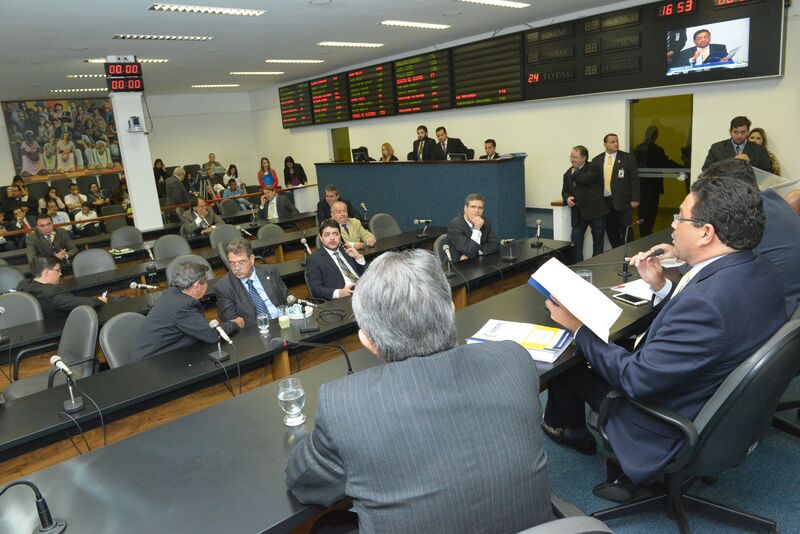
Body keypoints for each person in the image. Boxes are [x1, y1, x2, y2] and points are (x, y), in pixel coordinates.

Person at [542, 176, 786, 500]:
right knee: (607, 347)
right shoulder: (760, 269)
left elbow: (635, 379)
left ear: (706, 233)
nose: (672, 224)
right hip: (718, 402)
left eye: (680, 217)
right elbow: (702, 329)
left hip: (667, 418)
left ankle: (572, 433)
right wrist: (661, 287)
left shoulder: (707, 305)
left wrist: (578, 327)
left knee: (571, 363)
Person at [286, 249, 553, 533]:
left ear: (367, 341)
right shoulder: (514, 358)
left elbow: (303, 481)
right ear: (452, 310)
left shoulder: (345, 405)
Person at [650, 160, 800, 317]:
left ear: (731, 193)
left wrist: (684, 253)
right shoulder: (772, 200)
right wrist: (678, 251)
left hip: (770, 309)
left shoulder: (746, 221)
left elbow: (713, 266)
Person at [132, 262, 243, 358]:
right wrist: (235, 324)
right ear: (197, 285)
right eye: (206, 282)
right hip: (152, 362)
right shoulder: (183, 306)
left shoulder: (174, 292)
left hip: (163, 353)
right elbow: (212, 335)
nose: (207, 285)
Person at [215, 239, 289, 325]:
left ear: (252, 259)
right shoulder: (223, 287)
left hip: (282, 322)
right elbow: (232, 323)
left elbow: (288, 299)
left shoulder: (270, 271)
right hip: (254, 330)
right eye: (232, 263)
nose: (237, 268)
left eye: (241, 262)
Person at [591, 133, 640, 248]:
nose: (616, 143)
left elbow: (634, 179)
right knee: (612, 231)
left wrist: (635, 198)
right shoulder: (596, 160)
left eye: (617, 141)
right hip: (605, 202)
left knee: (627, 229)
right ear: (605, 144)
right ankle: (617, 252)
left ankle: (629, 252)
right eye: (612, 142)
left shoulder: (627, 158)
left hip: (623, 201)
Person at [16, 256, 106, 317]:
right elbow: (76, 302)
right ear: (46, 272)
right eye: (57, 270)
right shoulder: (52, 292)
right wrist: (98, 300)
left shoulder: (24, 284)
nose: (60, 274)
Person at [632, 126, 681, 236]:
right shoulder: (656, 150)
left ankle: (644, 235)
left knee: (642, 213)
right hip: (652, 187)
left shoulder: (637, 149)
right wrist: (682, 168)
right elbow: (666, 163)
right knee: (651, 213)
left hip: (641, 187)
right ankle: (647, 235)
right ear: (656, 136)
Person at [562, 145, 607, 262]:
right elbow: (564, 191)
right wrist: (567, 198)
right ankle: (578, 265)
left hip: (596, 211)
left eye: (575, 157)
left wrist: (574, 173)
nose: (572, 160)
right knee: (575, 240)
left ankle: (596, 264)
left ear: (584, 158)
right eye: (571, 157)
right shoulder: (567, 173)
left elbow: (586, 179)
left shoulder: (593, 167)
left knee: (598, 241)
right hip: (578, 213)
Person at [305, 219, 365, 300]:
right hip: (344, 298)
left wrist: (358, 258)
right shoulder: (314, 259)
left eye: (336, 234)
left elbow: (364, 274)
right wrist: (339, 293)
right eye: (327, 235)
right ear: (321, 238)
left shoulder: (347, 251)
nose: (332, 238)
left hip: (363, 289)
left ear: (340, 236)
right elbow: (316, 289)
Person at [702, 116, 772, 172]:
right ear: (730, 132)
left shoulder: (760, 150)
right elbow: (706, 170)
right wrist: (730, 163)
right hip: (723, 185)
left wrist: (749, 165)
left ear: (748, 132)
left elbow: (768, 175)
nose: (739, 136)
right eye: (736, 132)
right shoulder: (717, 148)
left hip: (749, 186)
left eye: (743, 132)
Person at [446, 193, 499, 260]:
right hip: (457, 264)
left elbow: (495, 245)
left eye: (480, 208)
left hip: (477, 262)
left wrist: (477, 252)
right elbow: (470, 252)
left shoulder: (486, 221)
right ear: (465, 208)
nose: (477, 211)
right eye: (473, 207)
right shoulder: (455, 225)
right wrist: (477, 228)